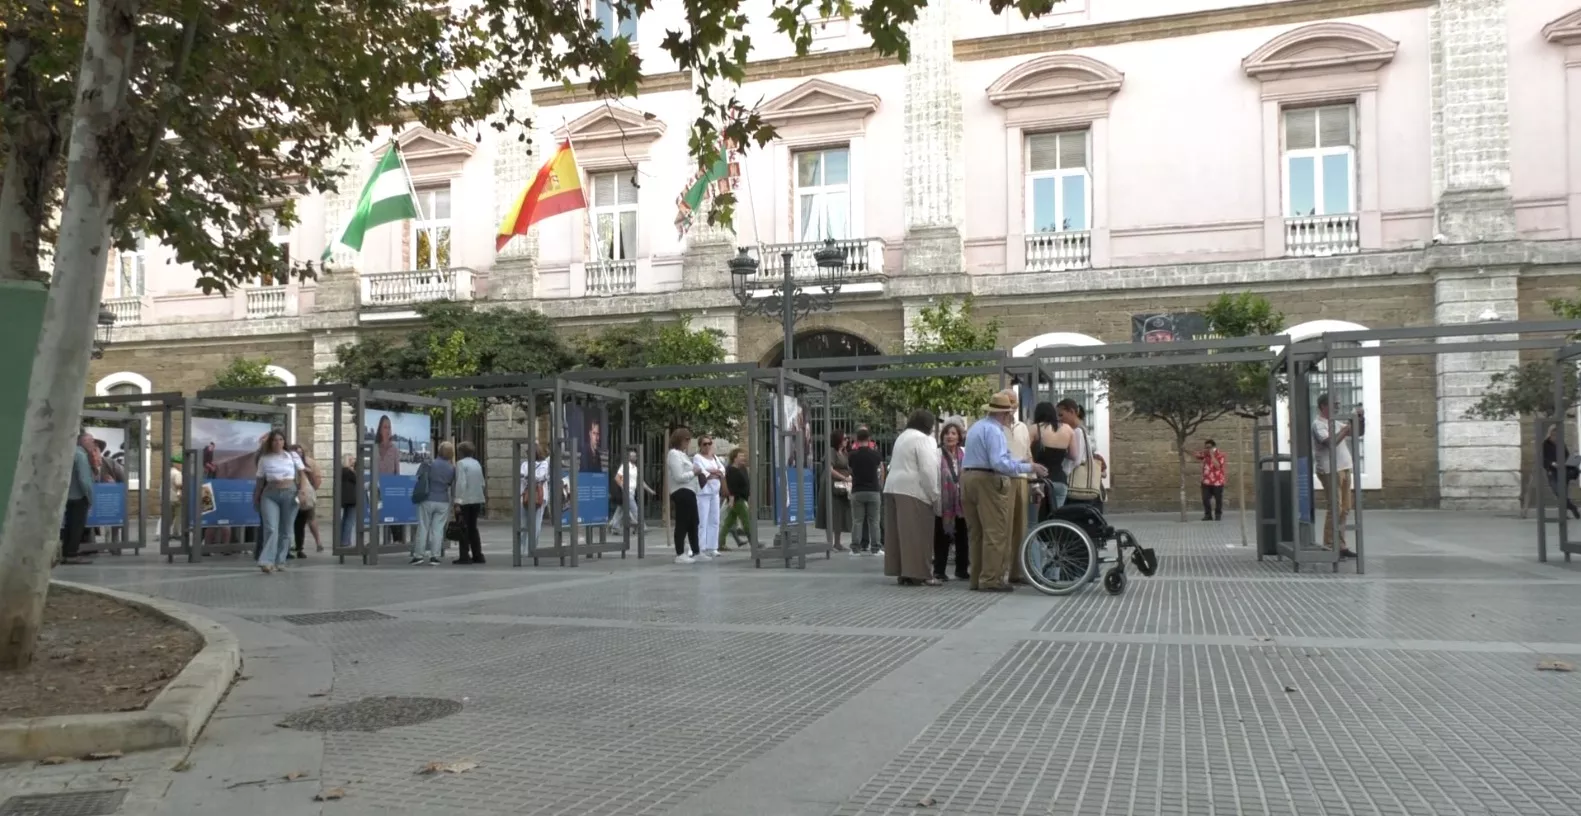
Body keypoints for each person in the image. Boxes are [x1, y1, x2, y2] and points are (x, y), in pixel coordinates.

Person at [962, 392, 1048, 592]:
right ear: (1005, 414)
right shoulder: (995, 431)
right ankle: (991, 579)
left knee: (976, 533)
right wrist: (1029, 468)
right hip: (988, 480)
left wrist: (1022, 463)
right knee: (996, 532)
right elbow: (999, 462)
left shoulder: (976, 427)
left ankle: (977, 577)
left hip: (968, 477)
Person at [884, 410, 941, 585]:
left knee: (899, 535)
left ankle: (903, 572)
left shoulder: (902, 438)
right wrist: (934, 494)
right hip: (913, 490)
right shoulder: (923, 440)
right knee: (919, 534)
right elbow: (928, 469)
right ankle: (920, 574)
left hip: (892, 487)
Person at [1311, 393, 1358, 558]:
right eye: (1335, 404)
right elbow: (1331, 443)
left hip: (1344, 468)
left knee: (1345, 508)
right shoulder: (1318, 425)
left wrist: (1360, 420)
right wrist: (1346, 428)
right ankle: (1329, 545)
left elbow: (1358, 433)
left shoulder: (1335, 422)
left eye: (1338, 404)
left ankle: (1341, 545)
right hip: (1330, 470)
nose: (1338, 407)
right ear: (1324, 406)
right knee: (1335, 507)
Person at [251, 430, 304, 574]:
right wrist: (256, 495)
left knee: (286, 529)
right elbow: (260, 480)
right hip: (270, 493)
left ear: (284, 442)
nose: (278, 442)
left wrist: (302, 490)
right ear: (270, 442)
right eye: (275, 440)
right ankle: (266, 561)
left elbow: (302, 473)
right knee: (271, 528)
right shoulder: (264, 458)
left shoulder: (292, 456)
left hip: (290, 492)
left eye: (281, 439)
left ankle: (280, 560)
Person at [933, 417, 969, 581]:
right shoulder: (937, 453)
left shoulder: (965, 453)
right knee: (942, 536)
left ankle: (962, 569)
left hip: (961, 501)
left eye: (953, 433)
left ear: (959, 436)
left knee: (963, 535)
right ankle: (939, 570)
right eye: (947, 433)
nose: (950, 436)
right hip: (944, 500)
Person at [411, 441, 455, 565]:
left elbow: (419, 476)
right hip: (443, 500)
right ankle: (434, 556)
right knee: (438, 529)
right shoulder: (452, 468)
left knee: (423, 527)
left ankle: (418, 555)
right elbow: (451, 483)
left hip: (427, 498)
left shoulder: (430, 464)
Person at [1005, 391, 1034, 584]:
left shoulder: (1022, 427)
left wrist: (1034, 481)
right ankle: (1002, 570)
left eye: (1014, 402)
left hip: (1022, 478)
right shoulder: (996, 427)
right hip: (1004, 477)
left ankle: (1017, 570)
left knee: (1020, 527)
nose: (1012, 406)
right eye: (1009, 402)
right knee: (1003, 526)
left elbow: (1028, 453)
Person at [58, 432, 96, 566]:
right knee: (77, 526)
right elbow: (84, 479)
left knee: (69, 525)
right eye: (90, 441)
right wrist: (90, 497)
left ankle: (66, 552)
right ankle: (72, 554)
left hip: (68, 495)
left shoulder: (71, 452)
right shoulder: (80, 455)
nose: (93, 444)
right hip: (79, 496)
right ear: (83, 442)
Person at [667, 428, 704, 564]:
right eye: (686, 440)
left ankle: (696, 551)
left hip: (690, 491)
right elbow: (678, 476)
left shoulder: (683, 455)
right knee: (682, 522)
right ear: (679, 440)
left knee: (694, 522)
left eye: (689, 440)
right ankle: (680, 553)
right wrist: (693, 473)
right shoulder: (674, 454)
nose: (688, 442)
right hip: (681, 491)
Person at [1059, 399, 1103, 512]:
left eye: (1061, 414)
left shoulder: (1078, 431)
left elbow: (1077, 459)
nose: (1060, 419)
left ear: (1072, 412)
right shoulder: (1082, 430)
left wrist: (1064, 472)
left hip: (1077, 483)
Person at [848, 426, 885, 556]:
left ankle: (855, 549)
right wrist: (880, 485)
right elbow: (881, 470)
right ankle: (876, 548)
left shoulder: (852, 455)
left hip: (857, 490)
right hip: (873, 490)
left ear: (856, 440)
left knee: (857, 521)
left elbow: (850, 470)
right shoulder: (875, 454)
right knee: (874, 521)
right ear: (869, 439)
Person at [1030, 401, 1071, 518]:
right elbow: (1073, 454)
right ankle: (1053, 536)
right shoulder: (1067, 429)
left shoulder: (1034, 429)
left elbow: (1025, 451)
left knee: (1033, 519)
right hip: (1060, 480)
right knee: (1055, 518)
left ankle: (1034, 537)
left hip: (1039, 481)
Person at [452, 441, 486, 564]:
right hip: (477, 499)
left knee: (463, 528)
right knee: (473, 528)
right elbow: (482, 482)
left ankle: (464, 555)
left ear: (461, 452)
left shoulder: (461, 464)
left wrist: (457, 502)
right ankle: (478, 554)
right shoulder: (477, 463)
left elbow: (461, 483)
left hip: (465, 500)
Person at [693, 435, 726, 559]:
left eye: (709, 443)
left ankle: (713, 547)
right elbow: (702, 471)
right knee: (702, 520)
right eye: (704, 444)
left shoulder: (715, 457)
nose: (707, 446)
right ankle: (701, 547)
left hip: (715, 492)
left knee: (715, 520)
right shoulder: (697, 457)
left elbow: (722, 470)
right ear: (700, 446)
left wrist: (715, 472)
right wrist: (714, 472)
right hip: (703, 493)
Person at [609, 449, 656, 534]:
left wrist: (650, 490)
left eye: (634, 456)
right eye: (631, 456)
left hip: (631, 492)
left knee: (621, 509)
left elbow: (640, 481)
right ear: (628, 457)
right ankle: (643, 526)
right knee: (635, 509)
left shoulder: (635, 468)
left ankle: (614, 526)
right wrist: (624, 487)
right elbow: (617, 478)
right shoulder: (625, 466)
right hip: (627, 492)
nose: (633, 457)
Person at [289, 444, 323, 558]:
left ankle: (301, 547)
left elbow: (316, 479)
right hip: (290, 495)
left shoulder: (308, 464)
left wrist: (310, 491)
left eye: (300, 452)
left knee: (302, 522)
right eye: (296, 452)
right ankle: (291, 547)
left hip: (305, 496)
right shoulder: (287, 463)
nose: (299, 454)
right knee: (292, 523)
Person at [821, 430, 853, 551]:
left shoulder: (844, 453)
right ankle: (830, 542)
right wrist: (844, 477)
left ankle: (838, 543)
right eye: (844, 438)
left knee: (840, 513)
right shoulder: (831, 451)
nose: (846, 441)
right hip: (831, 485)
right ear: (838, 439)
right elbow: (830, 469)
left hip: (841, 487)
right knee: (831, 512)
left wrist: (849, 476)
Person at [1543, 425, 1581, 519]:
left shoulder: (1561, 443)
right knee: (1558, 492)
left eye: (1557, 434)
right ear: (1550, 434)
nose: (1555, 436)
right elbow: (1542, 459)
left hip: (1564, 471)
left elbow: (1567, 456)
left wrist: (1574, 458)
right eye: (1553, 434)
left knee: (1563, 493)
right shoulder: (1545, 444)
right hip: (1552, 471)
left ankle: (1563, 514)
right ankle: (1573, 508)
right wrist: (1552, 463)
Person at [519, 442, 551, 552]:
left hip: (539, 497)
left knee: (536, 524)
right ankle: (522, 548)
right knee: (523, 523)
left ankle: (532, 547)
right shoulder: (524, 464)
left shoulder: (543, 464)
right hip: (525, 496)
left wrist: (528, 476)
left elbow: (540, 476)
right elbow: (522, 477)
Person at [720, 447, 752, 549]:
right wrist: (731, 499)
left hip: (742, 498)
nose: (743, 458)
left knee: (728, 522)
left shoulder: (742, 468)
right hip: (737, 500)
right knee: (746, 521)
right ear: (735, 458)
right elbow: (732, 486)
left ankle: (720, 543)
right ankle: (753, 542)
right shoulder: (731, 470)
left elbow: (746, 484)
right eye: (740, 456)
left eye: (743, 456)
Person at [1192, 439, 1227, 521]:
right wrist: (1185, 450)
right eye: (1206, 447)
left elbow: (1217, 466)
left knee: (1218, 500)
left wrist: (1212, 455)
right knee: (1205, 499)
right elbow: (1195, 455)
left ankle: (1218, 515)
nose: (1207, 449)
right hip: (1206, 482)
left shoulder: (1220, 455)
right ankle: (1208, 515)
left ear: (1214, 447)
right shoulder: (1205, 454)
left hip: (1217, 482)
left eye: (1209, 447)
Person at [339, 453, 358, 547]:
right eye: (352, 459)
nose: (354, 461)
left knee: (345, 519)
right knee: (350, 520)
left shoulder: (341, 471)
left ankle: (342, 540)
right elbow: (358, 479)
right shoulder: (349, 472)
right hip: (352, 499)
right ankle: (345, 541)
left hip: (345, 498)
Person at [168, 452, 185, 540]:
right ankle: (176, 533)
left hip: (168, 497)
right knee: (178, 516)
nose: (181, 465)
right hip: (176, 498)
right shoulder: (177, 473)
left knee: (170, 517)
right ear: (176, 463)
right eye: (180, 463)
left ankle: (166, 532)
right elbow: (179, 485)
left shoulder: (168, 472)